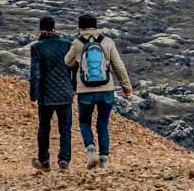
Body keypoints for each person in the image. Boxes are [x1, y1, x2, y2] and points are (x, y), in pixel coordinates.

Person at [65, 13, 133, 171]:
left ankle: (91, 151)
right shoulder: (107, 42)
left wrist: (78, 59)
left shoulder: (77, 43)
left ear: (80, 27)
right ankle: (104, 160)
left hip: (85, 90)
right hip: (106, 89)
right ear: (96, 26)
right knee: (103, 123)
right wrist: (127, 88)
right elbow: (119, 67)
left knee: (84, 121)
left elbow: (67, 61)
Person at [28, 14, 73, 172]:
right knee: (65, 128)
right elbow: (73, 68)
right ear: (55, 28)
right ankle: (64, 160)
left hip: (46, 95)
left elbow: (35, 74)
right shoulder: (67, 45)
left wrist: (33, 95)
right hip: (65, 93)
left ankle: (44, 160)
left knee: (44, 127)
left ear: (40, 29)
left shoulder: (36, 47)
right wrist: (72, 87)